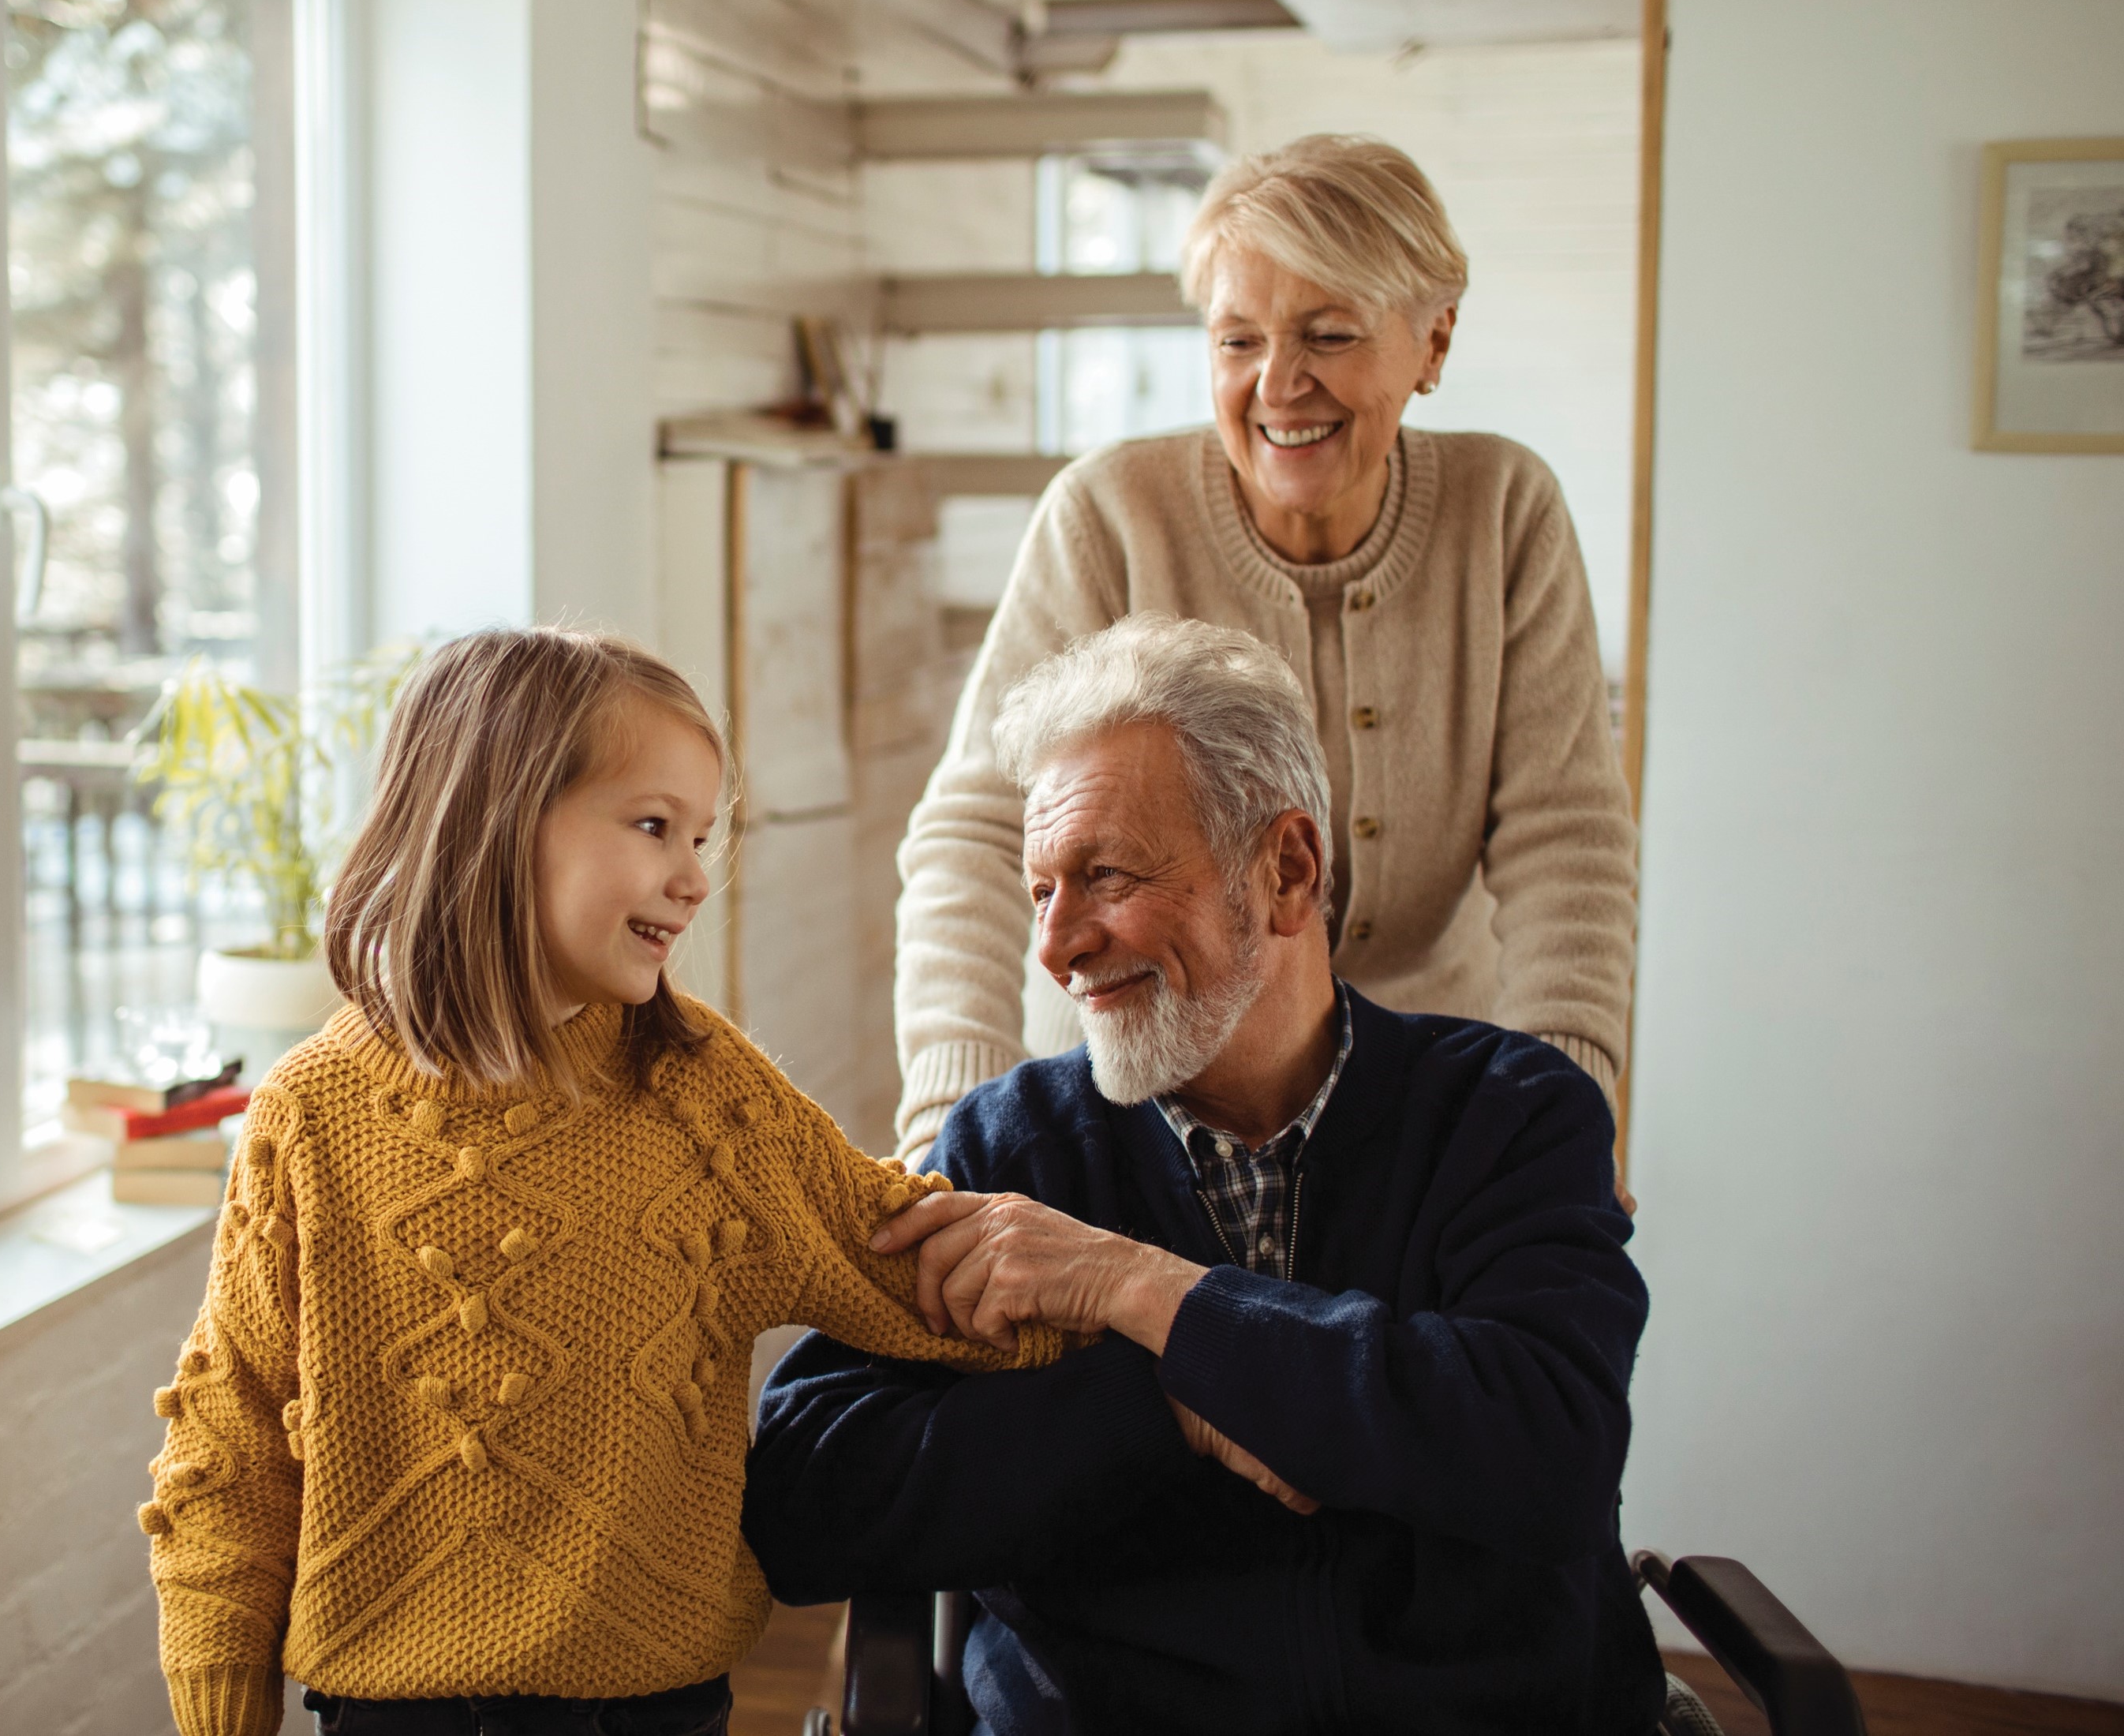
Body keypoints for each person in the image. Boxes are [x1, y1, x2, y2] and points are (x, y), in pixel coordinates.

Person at [746, 614, 1662, 1735]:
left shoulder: (1510, 1113)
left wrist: (1143, 1294)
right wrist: (1164, 1403)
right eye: (1042, 891)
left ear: (1286, 869)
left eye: (1106, 875)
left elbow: (1549, 1453)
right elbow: (804, 1500)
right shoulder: (1011, 1149)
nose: (1056, 944)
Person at [138, 627, 1058, 1736]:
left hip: (654, 1708)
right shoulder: (309, 1117)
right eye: (654, 825)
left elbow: (912, 1267)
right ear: (498, 818)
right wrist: (219, 1707)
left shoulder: (705, 1098)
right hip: (383, 1710)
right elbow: (226, 1443)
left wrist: (1162, 1318)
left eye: (704, 837)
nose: (693, 879)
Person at [893, 134, 1637, 1162]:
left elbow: (1569, 844)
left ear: (1434, 344)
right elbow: (975, 827)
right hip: (1129, 1099)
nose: (1278, 385)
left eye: (1328, 335)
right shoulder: (1111, 515)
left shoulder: (1506, 512)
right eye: (1238, 341)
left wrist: (1562, 1117)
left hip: (1412, 1101)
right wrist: (953, 1125)